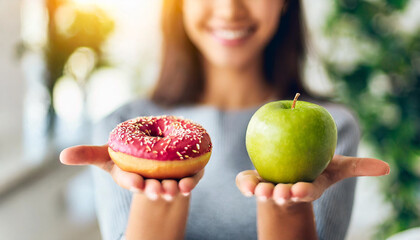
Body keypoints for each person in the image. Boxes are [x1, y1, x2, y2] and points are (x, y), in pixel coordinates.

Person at [60, 0, 390, 239]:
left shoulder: (333, 127)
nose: (230, 9)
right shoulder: (120, 129)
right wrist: (158, 195)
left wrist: (288, 206)